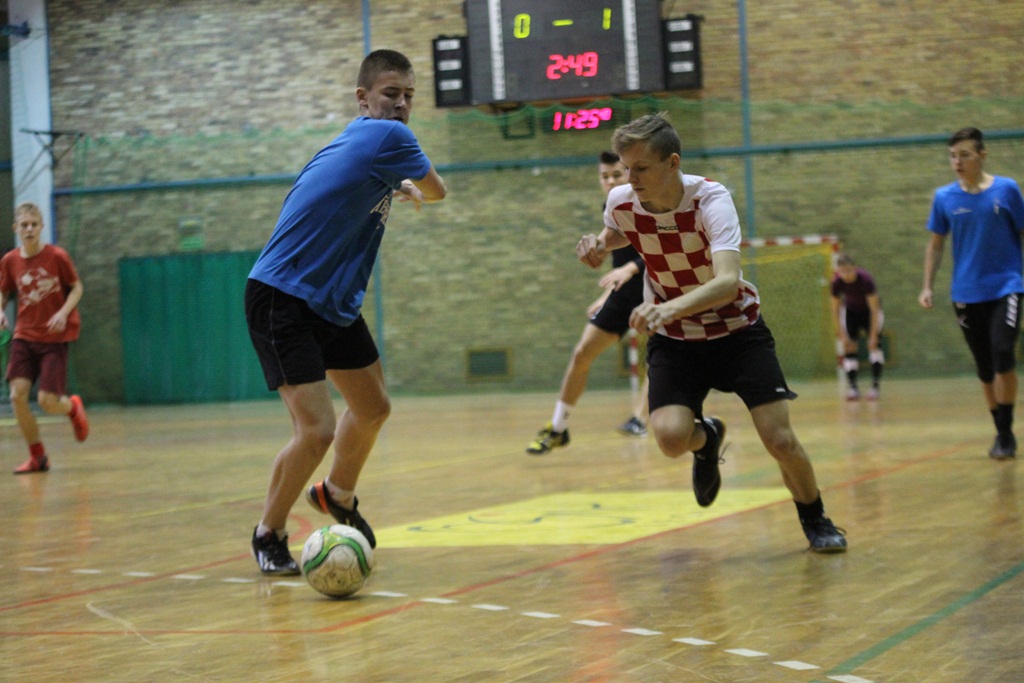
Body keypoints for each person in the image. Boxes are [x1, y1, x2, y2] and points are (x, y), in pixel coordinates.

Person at [576, 113, 846, 553]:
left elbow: (726, 282)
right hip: (677, 340)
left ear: (673, 163)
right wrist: (596, 246)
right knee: (669, 438)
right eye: (626, 168)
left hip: (736, 330)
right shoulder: (622, 201)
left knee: (779, 440)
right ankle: (707, 440)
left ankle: (816, 518)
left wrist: (667, 307)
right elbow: (614, 234)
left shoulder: (711, 200)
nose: (630, 178)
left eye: (641, 168)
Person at [245, 49, 447, 574]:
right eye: (391, 94)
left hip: (332, 303)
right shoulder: (388, 137)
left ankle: (337, 493)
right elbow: (438, 190)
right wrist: (413, 183)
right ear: (363, 97)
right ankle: (269, 533)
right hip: (284, 296)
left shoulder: (366, 144)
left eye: (409, 96)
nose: (401, 105)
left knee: (373, 407)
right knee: (316, 431)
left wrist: (397, 183)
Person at [527, 151, 649, 454]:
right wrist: (607, 294)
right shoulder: (610, 207)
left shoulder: (649, 201)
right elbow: (618, 260)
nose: (610, 181)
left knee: (661, 356)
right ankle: (558, 428)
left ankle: (641, 418)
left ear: (629, 175)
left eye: (616, 175)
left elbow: (662, 247)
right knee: (582, 352)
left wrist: (631, 269)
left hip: (658, 287)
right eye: (605, 176)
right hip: (625, 291)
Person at [919, 127, 1024, 460]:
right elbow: (936, 245)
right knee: (984, 367)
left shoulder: (1007, 190)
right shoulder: (944, 198)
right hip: (966, 292)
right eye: (953, 156)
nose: (957, 162)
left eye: (964, 155)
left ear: (981, 155)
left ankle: (1006, 432)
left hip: (1007, 286)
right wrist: (927, 285)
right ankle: (1000, 431)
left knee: (1003, 352)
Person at [0, 202, 90, 474]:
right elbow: (4, 291)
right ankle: (38, 457)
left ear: (41, 227)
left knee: (47, 402)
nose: (29, 229)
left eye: (33, 224)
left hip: (53, 338)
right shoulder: (10, 261)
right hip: (24, 336)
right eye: (24, 225)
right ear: (16, 228)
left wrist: (63, 312)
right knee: (17, 396)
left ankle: (72, 408)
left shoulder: (57, 256)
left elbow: (77, 287)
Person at [831, 253, 885, 401]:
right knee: (849, 347)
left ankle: (874, 387)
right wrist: (841, 334)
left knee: (874, 346)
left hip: (870, 313)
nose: (846, 275)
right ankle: (853, 388)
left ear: (855, 268)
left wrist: (873, 336)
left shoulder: (866, 280)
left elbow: (874, 309)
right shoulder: (836, 283)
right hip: (851, 312)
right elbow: (835, 310)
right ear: (838, 271)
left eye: (849, 270)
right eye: (842, 272)